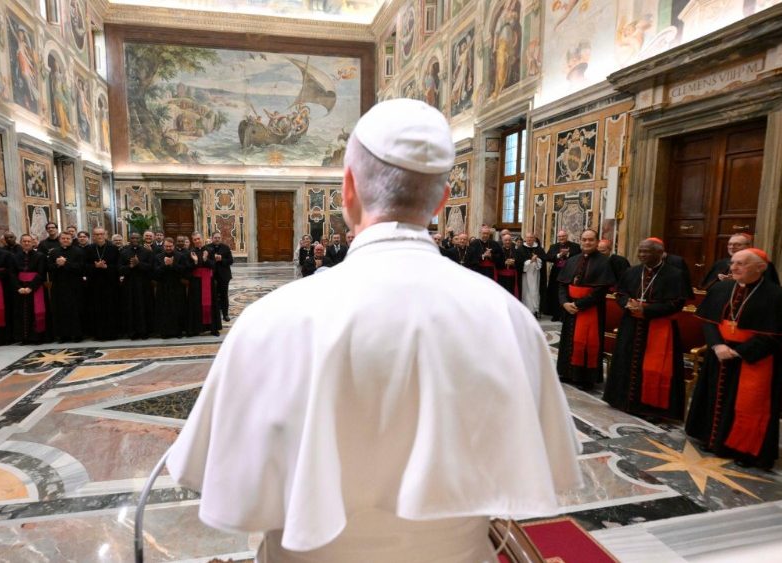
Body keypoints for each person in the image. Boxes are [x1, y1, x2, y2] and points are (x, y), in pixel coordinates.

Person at [166, 99, 580, 562]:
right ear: (443, 201)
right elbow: (539, 461)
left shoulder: (273, 319)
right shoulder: (509, 318)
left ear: (348, 190)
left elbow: (219, 478)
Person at [686, 248, 782, 469]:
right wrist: (717, 345)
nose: (733, 268)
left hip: (755, 359)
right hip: (719, 355)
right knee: (716, 399)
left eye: (741, 264)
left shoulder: (779, 296)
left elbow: (779, 336)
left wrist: (740, 352)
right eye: (733, 263)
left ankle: (744, 450)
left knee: (748, 406)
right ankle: (713, 440)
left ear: (761, 267)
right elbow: (708, 321)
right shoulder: (721, 288)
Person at [604, 238, 687, 420]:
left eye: (646, 251)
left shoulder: (675, 274)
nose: (641, 255)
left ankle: (651, 408)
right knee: (626, 362)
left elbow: (677, 303)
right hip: (631, 325)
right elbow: (621, 293)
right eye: (640, 251)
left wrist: (646, 309)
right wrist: (626, 303)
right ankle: (623, 401)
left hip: (659, 328)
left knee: (655, 368)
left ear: (659, 252)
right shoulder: (632, 272)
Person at [556, 229, 616, 391]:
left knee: (586, 342)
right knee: (570, 340)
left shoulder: (604, 262)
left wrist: (578, 305)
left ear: (596, 242)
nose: (587, 243)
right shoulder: (572, 260)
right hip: (570, 309)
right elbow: (562, 284)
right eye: (584, 240)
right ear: (580, 241)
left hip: (590, 309)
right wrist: (564, 303)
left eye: (591, 240)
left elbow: (600, 291)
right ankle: (567, 372)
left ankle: (585, 378)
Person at [701, 233, 780, 289]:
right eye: (730, 244)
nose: (732, 247)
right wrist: (720, 280)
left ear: (749, 246)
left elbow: (769, 287)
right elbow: (707, 286)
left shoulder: (762, 263)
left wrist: (739, 281)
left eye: (737, 244)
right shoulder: (720, 263)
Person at [84, 227, 121, 340]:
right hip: (94, 285)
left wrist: (106, 267)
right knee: (96, 309)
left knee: (110, 309)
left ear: (105, 235)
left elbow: (118, 267)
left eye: (101, 234)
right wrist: (95, 266)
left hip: (110, 284)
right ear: (93, 236)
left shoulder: (113, 248)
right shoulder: (88, 249)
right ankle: (97, 334)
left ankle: (112, 333)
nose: (99, 236)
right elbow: (84, 266)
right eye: (96, 234)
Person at [47, 232, 84, 342]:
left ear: (72, 239)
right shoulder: (54, 252)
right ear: (59, 239)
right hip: (59, 286)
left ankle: (77, 334)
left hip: (75, 286)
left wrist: (65, 264)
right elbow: (49, 268)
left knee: (75, 311)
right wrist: (57, 264)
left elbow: (81, 268)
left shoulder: (78, 251)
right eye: (63, 238)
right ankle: (63, 335)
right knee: (60, 311)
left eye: (68, 238)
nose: (65, 240)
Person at [14, 234, 49, 344]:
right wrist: (18, 287)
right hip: (20, 288)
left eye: (29, 241)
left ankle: (37, 337)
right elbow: (12, 274)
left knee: (36, 312)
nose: (27, 243)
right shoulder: (15, 256)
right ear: (20, 242)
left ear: (33, 243)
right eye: (24, 241)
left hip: (35, 288)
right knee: (22, 313)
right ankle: (24, 338)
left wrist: (30, 287)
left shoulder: (40, 256)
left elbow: (41, 274)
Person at [185, 232, 221, 337]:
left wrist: (206, 259)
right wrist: (195, 262)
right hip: (195, 282)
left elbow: (214, 266)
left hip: (208, 281)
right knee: (195, 304)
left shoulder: (210, 250)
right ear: (193, 241)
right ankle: (196, 328)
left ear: (202, 238)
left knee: (210, 304)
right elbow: (187, 268)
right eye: (195, 239)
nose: (197, 241)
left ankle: (213, 329)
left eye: (198, 238)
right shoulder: (190, 252)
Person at [119, 232, 154, 339]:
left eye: (137, 238)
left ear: (140, 239)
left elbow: (150, 267)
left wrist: (139, 264)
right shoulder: (123, 252)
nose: (135, 239)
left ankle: (144, 331)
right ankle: (132, 332)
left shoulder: (147, 252)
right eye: (133, 238)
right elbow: (119, 269)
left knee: (143, 307)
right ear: (130, 239)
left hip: (143, 285)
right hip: (129, 285)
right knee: (131, 308)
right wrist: (130, 266)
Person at [153, 237, 188, 338]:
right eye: (166, 246)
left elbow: (184, 270)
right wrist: (165, 265)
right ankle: (165, 332)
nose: (168, 248)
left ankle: (178, 332)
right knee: (164, 310)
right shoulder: (158, 257)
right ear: (163, 246)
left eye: (170, 246)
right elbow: (155, 272)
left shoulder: (180, 256)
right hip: (163, 287)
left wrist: (173, 264)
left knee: (178, 309)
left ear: (173, 246)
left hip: (177, 287)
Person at [544, 230, 581, 321]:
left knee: (568, 293)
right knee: (555, 293)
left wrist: (568, 254)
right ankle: (556, 314)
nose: (561, 238)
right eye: (559, 237)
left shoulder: (575, 246)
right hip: (556, 273)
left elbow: (579, 257)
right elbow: (548, 257)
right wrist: (559, 255)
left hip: (570, 273)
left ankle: (565, 315)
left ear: (566, 236)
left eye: (563, 236)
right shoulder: (554, 246)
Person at [207, 231, 234, 322]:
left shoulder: (225, 248)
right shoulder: (208, 248)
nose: (217, 239)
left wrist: (221, 259)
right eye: (215, 237)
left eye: (218, 237)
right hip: (211, 276)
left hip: (224, 276)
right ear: (212, 238)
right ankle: (215, 315)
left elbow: (231, 261)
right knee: (213, 296)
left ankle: (225, 314)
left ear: (220, 238)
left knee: (224, 295)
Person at [522, 233, 547, 318]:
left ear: (534, 239)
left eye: (531, 238)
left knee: (535, 292)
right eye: (528, 238)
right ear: (525, 239)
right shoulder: (521, 249)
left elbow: (543, 260)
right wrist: (530, 261)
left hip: (536, 274)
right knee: (526, 292)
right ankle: (526, 310)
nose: (529, 239)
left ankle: (535, 310)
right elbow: (519, 262)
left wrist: (537, 260)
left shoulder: (539, 249)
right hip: (525, 275)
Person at [497, 233, 527, 300]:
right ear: (502, 241)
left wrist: (514, 263)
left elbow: (521, 263)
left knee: (511, 295)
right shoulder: (498, 251)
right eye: (506, 240)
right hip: (501, 278)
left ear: (511, 241)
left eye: (509, 240)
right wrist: (505, 262)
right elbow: (495, 262)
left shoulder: (516, 251)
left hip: (512, 279)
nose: (507, 242)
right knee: (502, 294)